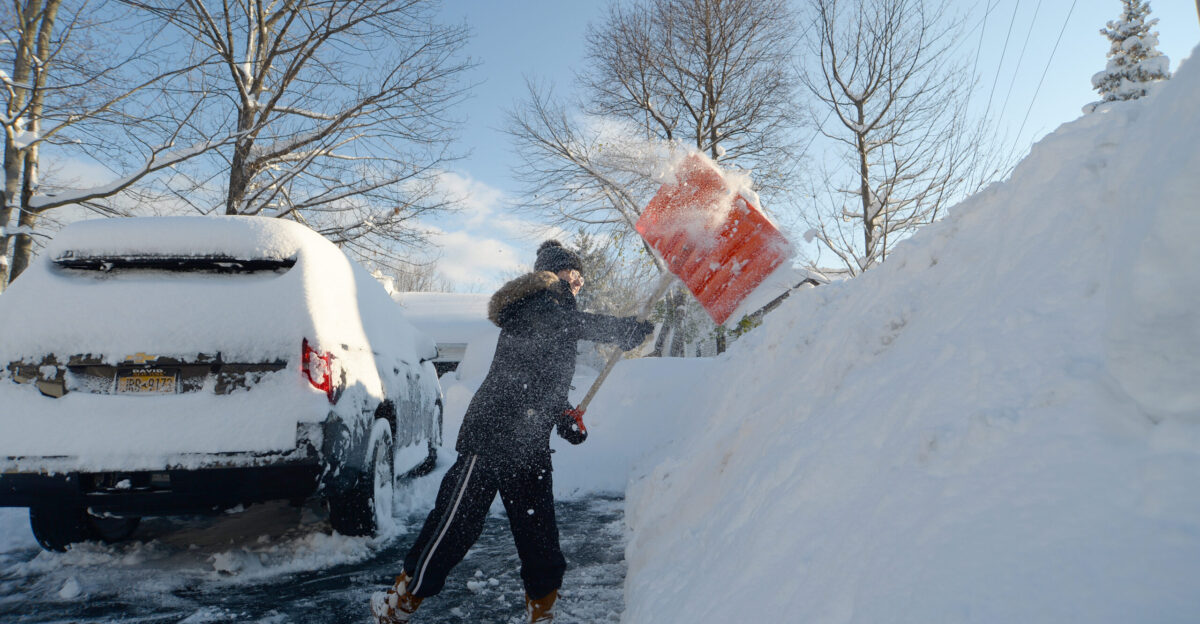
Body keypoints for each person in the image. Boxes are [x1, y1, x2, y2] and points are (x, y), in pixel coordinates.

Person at [372, 240, 656, 624]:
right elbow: (565, 325)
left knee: (539, 536)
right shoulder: (534, 304)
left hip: (528, 442)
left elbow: (543, 381)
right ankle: (401, 602)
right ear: (553, 273)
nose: (578, 283)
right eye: (573, 274)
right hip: (491, 435)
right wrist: (621, 330)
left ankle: (542, 610)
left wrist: (562, 418)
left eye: (580, 278)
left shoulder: (557, 315)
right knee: (455, 525)